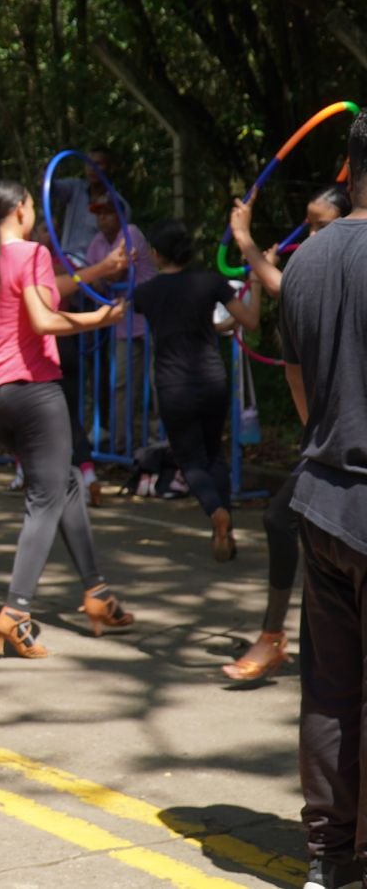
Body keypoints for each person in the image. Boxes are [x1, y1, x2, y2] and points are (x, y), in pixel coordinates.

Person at [0, 180, 130, 658]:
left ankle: (97, 592)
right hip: (34, 390)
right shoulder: (35, 253)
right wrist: (99, 319)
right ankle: (16, 611)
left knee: (63, 486)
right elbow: (43, 318)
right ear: (23, 209)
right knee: (45, 498)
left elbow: (35, 297)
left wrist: (95, 275)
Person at [281, 112, 367, 889]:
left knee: (333, 689)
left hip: (322, 500)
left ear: (348, 167)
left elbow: (300, 380)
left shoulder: (307, 260)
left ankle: (328, 859)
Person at [219, 185, 349, 681]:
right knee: (281, 518)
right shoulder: (318, 269)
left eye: (321, 225)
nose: (311, 235)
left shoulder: (343, 266)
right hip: (331, 433)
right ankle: (273, 636)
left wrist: (244, 239)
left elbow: (280, 286)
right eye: (308, 225)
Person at [131, 219, 257, 560]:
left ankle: (216, 512)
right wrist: (256, 282)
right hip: (212, 380)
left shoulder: (146, 293)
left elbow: (125, 309)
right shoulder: (211, 282)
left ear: (156, 255)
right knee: (214, 453)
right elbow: (248, 321)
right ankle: (225, 525)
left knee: (191, 460)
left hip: (173, 386)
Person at [85, 199, 157, 456]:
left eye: (108, 213)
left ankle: (162, 446)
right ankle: (120, 446)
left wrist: (98, 273)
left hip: (150, 322)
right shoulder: (97, 243)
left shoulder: (132, 232)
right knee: (121, 385)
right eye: (99, 214)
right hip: (123, 326)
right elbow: (91, 283)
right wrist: (99, 274)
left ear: (120, 215)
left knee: (158, 384)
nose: (102, 219)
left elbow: (111, 275)